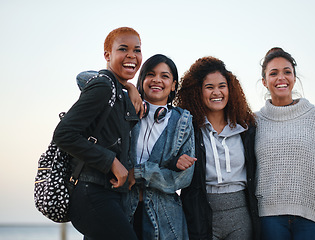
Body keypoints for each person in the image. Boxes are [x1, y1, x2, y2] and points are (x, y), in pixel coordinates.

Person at [53, 27, 143, 240]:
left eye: (137, 50)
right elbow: (63, 134)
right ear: (107, 55)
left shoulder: (118, 91)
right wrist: (112, 162)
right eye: (123, 49)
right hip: (91, 193)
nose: (132, 55)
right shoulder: (103, 86)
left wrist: (130, 86)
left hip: (105, 194)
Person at [255, 47, 315, 240]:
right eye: (273, 73)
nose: (281, 78)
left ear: (294, 78)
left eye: (287, 72)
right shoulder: (253, 122)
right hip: (269, 220)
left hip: (312, 219)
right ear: (264, 82)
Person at [177, 56, 261, 240]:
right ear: (198, 92)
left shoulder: (246, 129)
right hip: (201, 214)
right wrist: (176, 162)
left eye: (222, 86)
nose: (217, 92)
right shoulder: (189, 129)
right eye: (209, 87)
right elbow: (169, 160)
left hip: (241, 215)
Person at [127, 54, 196, 240]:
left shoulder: (183, 121)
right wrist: (127, 86)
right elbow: (84, 78)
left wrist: (139, 172)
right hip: (122, 210)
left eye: (165, 76)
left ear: (173, 85)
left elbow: (182, 178)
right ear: (142, 81)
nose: (157, 79)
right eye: (150, 74)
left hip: (165, 219)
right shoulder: (124, 108)